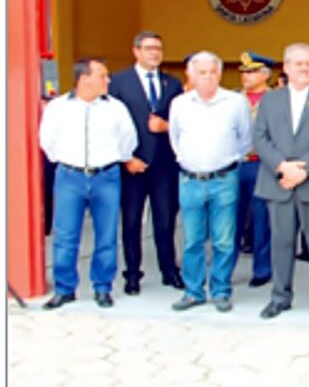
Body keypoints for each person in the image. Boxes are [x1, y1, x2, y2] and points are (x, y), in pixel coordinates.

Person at [254, 43, 309, 322]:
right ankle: (280, 297)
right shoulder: (270, 100)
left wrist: (304, 170)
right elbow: (260, 137)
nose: (304, 68)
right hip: (278, 181)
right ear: (286, 67)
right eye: (298, 63)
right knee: (281, 242)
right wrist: (282, 166)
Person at [40, 57, 137, 309]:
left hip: (106, 176)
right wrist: (66, 160)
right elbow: (47, 140)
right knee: (65, 235)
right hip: (69, 175)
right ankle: (65, 288)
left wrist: (116, 159)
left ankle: (102, 287)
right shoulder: (58, 107)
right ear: (84, 79)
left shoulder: (116, 108)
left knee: (106, 234)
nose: (108, 80)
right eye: (102, 76)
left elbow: (128, 140)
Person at [168, 51, 252, 313]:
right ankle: (193, 291)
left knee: (224, 240)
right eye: (201, 72)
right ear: (190, 75)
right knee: (192, 240)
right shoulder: (180, 103)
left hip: (224, 179)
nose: (207, 77)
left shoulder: (235, 102)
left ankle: (220, 290)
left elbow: (246, 139)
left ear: (219, 74)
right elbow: (175, 138)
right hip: (190, 180)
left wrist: (227, 160)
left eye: (212, 72)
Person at [109, 31, 184, 295]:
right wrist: (126, 157)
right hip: (132, 164)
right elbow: (111, 126)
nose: (155, 53)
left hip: (164, 165)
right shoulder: (118, 82)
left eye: (159, 48)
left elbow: (180, 121)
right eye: (150, 48)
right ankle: (132, 274)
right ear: (136, 51)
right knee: (131, 222)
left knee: (165, 222)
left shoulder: (172, 84)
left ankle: (169, 271)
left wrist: (166, 127)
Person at [236, 51, 275, 286]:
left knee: (262, 219)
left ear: (265, 74)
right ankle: (225, 270)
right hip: (236, 163)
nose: (246, 76)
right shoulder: (232, 99)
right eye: (244, 72)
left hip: (263, 164)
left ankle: (262, 268)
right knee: (232, 220)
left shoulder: (277, 99)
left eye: (251, 72)